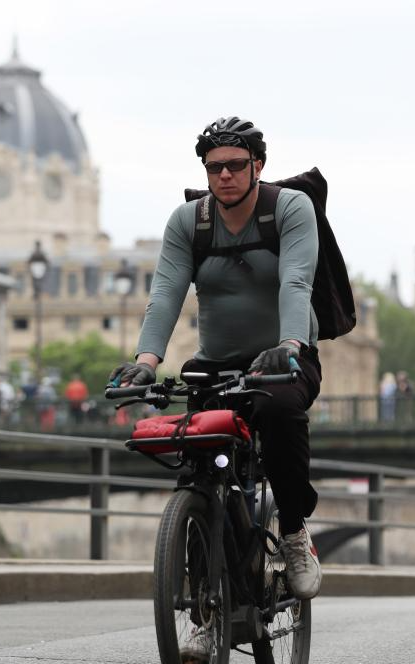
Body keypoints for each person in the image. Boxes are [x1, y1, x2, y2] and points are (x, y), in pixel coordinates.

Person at [108, 117, 323, 610]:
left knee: (279, 411)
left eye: (235, 165)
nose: (224, 175)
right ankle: (206, 608)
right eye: (213, 167)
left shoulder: (290, 209)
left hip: (284, 360)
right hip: (216, 366)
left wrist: (290, 344)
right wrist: (146, 361)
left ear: (258, 166)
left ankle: (293, 532)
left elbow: (296, 281)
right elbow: (165, 293)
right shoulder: (189, 222)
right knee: (200, 461)